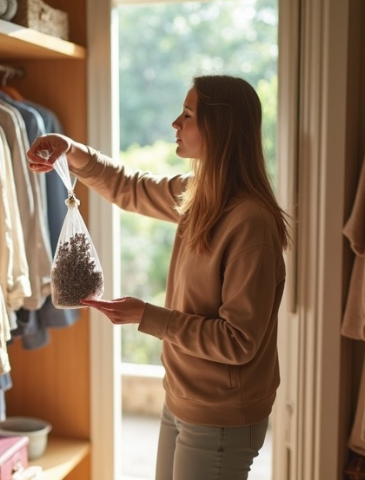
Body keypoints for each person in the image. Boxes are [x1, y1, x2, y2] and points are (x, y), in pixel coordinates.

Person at [26, 75, 290, 480]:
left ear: (219, 128)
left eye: (187, 115)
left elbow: (239, 342)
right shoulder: (201, 194)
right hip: (181, 397)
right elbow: (130, 188)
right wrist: (72, 150)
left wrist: (146, 316)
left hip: (219, 415)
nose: (175, 124)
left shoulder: (250, 223)